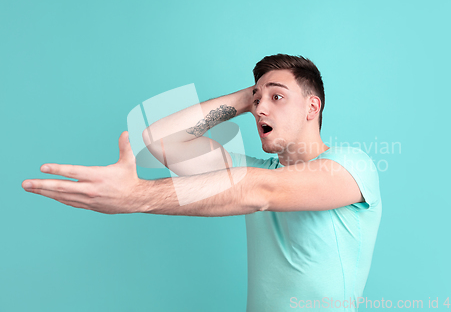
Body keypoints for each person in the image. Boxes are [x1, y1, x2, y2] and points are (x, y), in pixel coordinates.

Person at [22, 54, 382, 311]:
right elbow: (160, 140)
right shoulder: (260, 168)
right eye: (258, 101)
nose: (261, 110)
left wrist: (136, 197)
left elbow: (257, 192)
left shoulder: (351, 164)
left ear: (312, 107)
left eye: (277, 97)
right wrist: (247, 97)